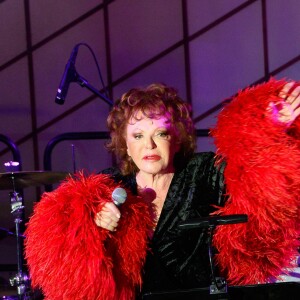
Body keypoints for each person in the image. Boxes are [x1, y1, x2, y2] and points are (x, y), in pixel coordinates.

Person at [25, 79, 300, 300]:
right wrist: (93, 225)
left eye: (161, 133)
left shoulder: (205, 172)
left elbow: (261, 179)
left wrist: (273, 129)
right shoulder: (109, 187)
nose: (150, 145)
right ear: (125, 145)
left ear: (177, 138)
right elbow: (64, 240)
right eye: (138, 136)